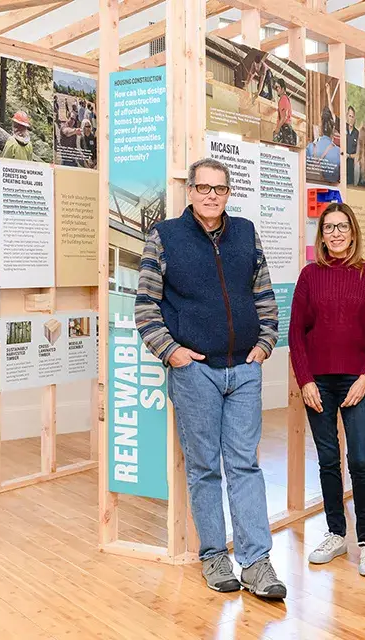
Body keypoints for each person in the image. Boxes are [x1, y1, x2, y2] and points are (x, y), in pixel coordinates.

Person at [134, 157, 287, 600]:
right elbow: (145, 306)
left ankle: (257, 563)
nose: (211, 195)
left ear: (228, 193)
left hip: (244, 369)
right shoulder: (164, 237)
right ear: (191, 191)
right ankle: (214, 555)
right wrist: (173, 353)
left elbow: (264, 293)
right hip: (195, 372)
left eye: (219, 188)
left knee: (245, 465)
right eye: (203, 188)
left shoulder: (245, 232)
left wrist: (265, 344)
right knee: (203, 469)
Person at [289, 203, 365, 578]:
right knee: (328, 461)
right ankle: (336, 533)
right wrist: (304, 380)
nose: (335, 233)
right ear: (321, 235)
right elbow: (296, 332)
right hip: (318, 382)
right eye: (328, 227)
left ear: (353, 231)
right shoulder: (309, 276)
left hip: (357, 381)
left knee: (360, 462)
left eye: (342, 226)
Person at [272, 78, 296, 146]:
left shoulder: (283, 99)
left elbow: (284, 117)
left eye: (278, 87)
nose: (277, 89)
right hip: (286, 129)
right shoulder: (286, 99)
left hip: (284, 129)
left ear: (283, 88)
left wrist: (277, 129)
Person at [345, 105, 358, 183]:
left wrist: (349, 156)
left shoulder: (357, 133)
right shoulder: (342, 128)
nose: (351, 119)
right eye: (350, 116)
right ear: (347, 116)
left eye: (352, 117)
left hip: (351, 167)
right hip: (341, 166)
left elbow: (359, 154)